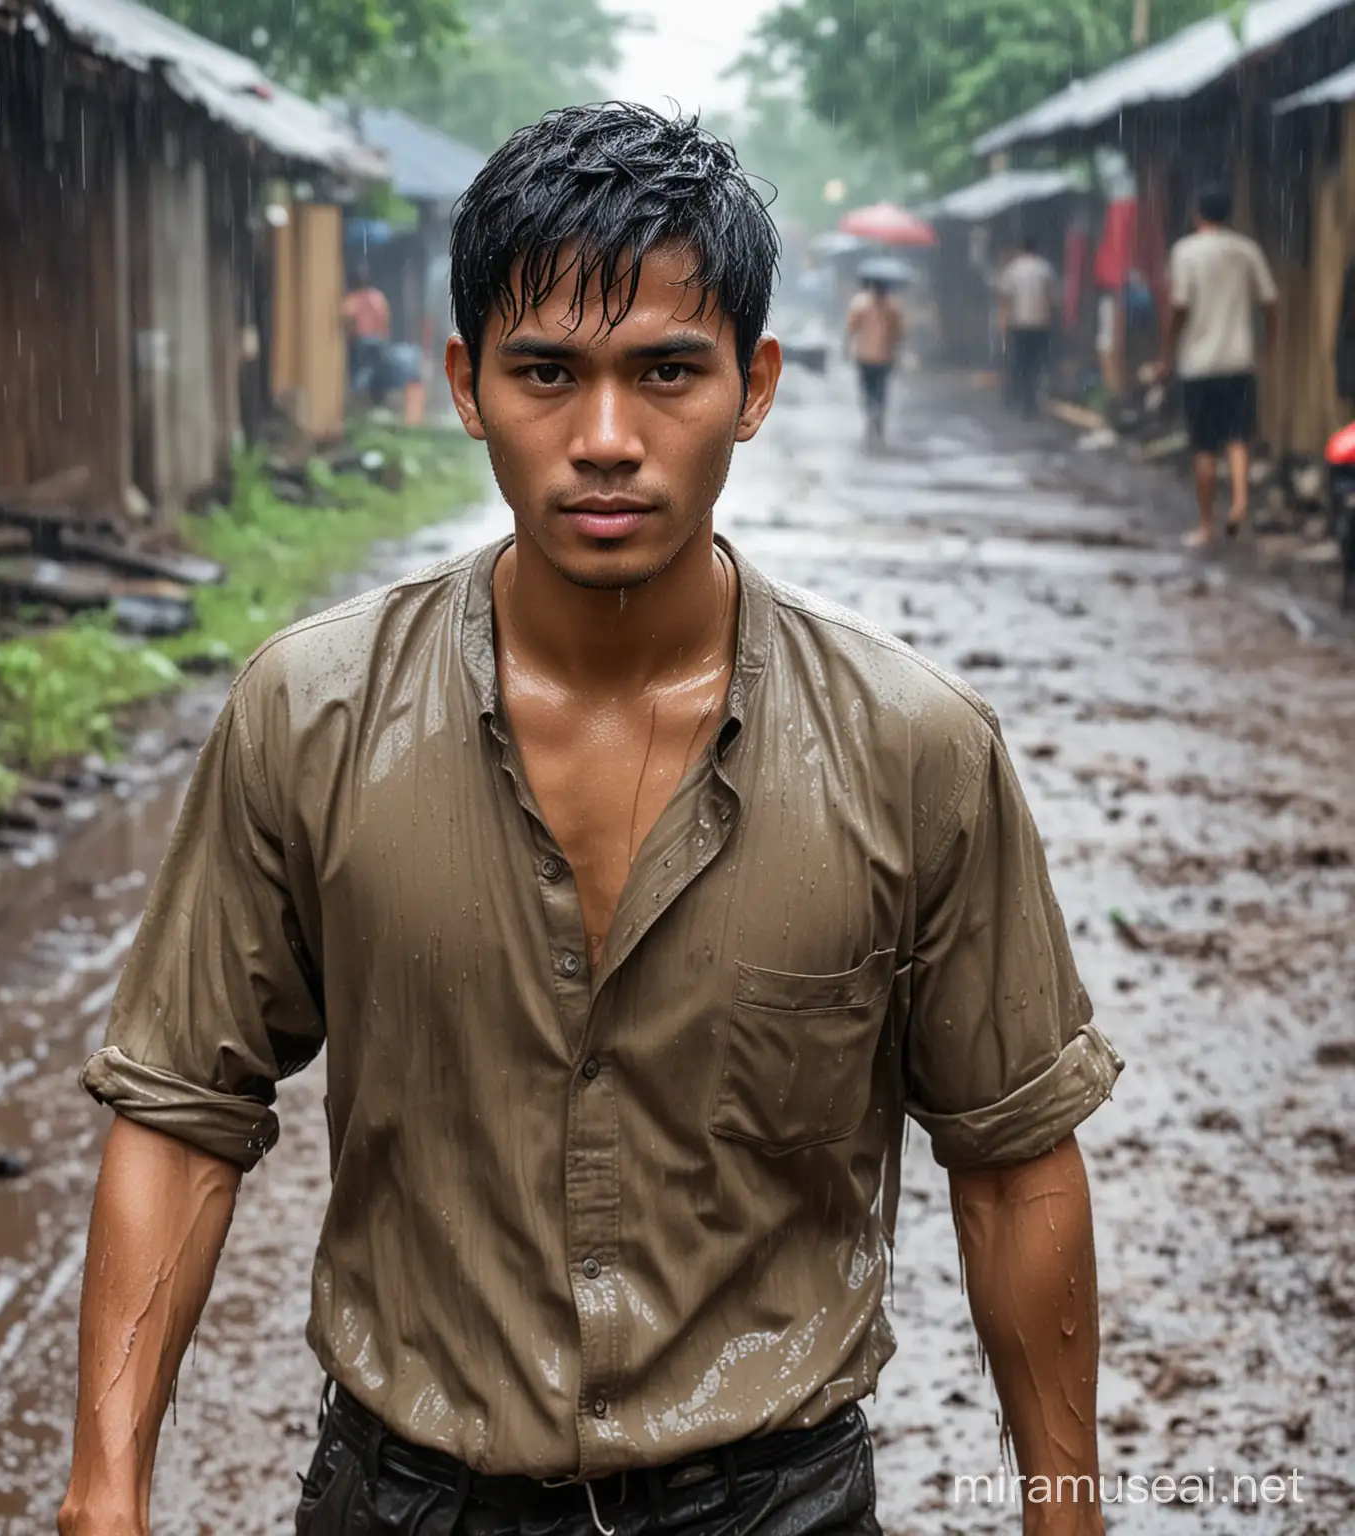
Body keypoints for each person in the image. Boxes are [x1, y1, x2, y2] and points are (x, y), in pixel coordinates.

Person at [61, 104, 1120, 1536]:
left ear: (754, 385)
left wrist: (1070, 1514)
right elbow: (186, 1108)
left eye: (667, 372)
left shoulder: (911, 750)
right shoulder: (309, 717)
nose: (606, 439)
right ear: (464, 384)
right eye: (546, 372)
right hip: (402, 1498)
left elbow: (1010, 1160)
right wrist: (106, 1486)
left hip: (775, 1503)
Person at [1161, 184, 1278, 547]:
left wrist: (1167, 347)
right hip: (1238, 358)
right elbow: (1270, 302)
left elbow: (1179, 306)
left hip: (1199, 363)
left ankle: (1206, 524)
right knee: (1238, 436)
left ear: (1197, 214)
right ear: (1229, 213)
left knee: (1204, 447)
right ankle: (1241, 501)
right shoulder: (1246, 250)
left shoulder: (1185, 251)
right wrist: (1267, 346)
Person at [998, 235, 1058, 418]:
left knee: (1020, 364)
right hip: (1041, 324)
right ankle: (1033, 400)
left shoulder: (1012, 270)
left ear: (1020, 249)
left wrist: (1004, 323)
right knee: (1036, 363)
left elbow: (1006, 300)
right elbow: (1051, 298)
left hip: (1019, 325)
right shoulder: (1045, 268)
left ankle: (1023, 399)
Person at [845, 276, 904, 446]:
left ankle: (872, 413)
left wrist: (847, 347)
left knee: (868, 388)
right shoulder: (893, 306)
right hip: (884, 356)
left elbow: (851, 328)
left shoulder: (860, 303)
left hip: (865, 356)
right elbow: (899, 332)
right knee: (880, 389)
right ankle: (876, 416)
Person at [343, 264, 392, 397]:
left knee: (360, 369)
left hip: (362, 340)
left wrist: (348, 335)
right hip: (379, 340)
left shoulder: (353, 299)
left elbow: (347, 317)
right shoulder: (378, 297)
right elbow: (386, 319)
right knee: (376, 370)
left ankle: (358, 395)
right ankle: (375, 397)